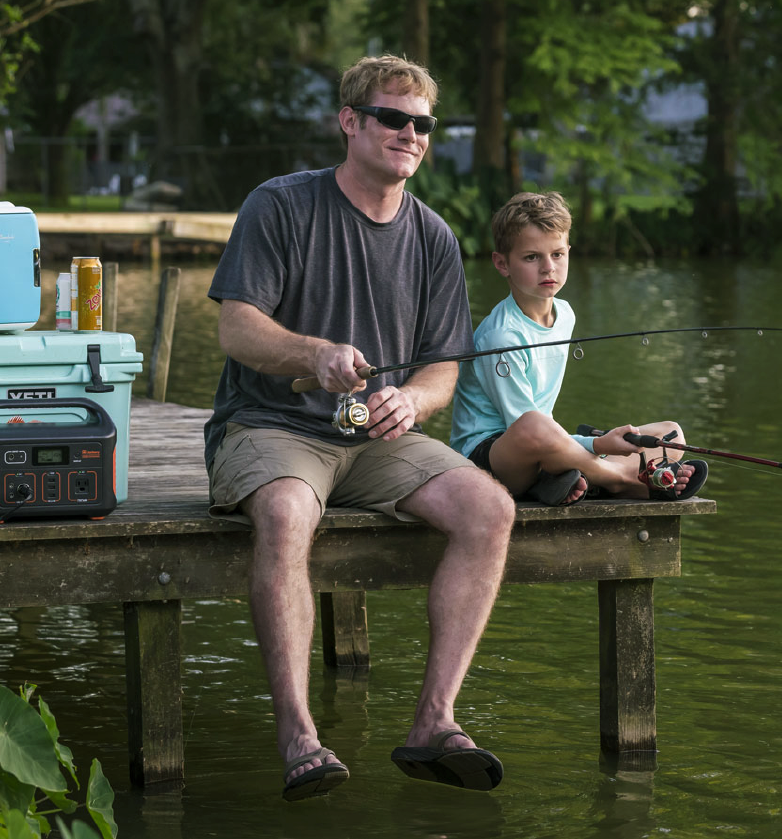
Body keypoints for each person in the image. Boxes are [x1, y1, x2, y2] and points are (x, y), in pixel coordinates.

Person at [204, 54, 514, 802]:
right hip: (271, 425)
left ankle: (434, 723)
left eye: (422, 124)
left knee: (490, 508)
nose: (410, 133)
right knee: (284, 513)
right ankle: (300, 736)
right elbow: (236, 329)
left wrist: (412, 400)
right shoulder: (281, 206)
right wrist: (313, 352)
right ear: (350, 121)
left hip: (378, 440)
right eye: (392, 117)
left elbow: (443, 368)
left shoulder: (434, 236)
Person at [450, 190, 708, 505]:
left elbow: (546, 432)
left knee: (671, 435)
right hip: (490, 459)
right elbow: (527, 429)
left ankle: (575, 479)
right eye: (532, 257)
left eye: (557, 254)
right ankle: (622, 479)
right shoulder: (502, 338)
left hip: (546, 443)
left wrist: (598, 444)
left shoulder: (565, 314)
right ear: (502, 263)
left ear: (569, 252)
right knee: (537, 426)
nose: (548, 268)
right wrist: (596, 446)